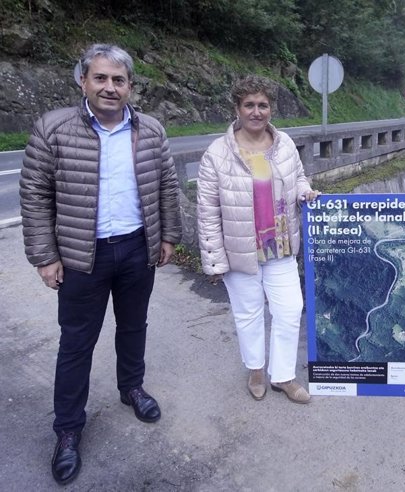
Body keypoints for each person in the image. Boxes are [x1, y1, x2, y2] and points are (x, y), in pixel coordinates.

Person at [20, 43, 181, 485]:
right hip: (79, 256)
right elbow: (34, 197)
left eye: (119, 80)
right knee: (76, 344)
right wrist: (45, 257)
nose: (110, 87)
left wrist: (168, 235)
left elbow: (167, 184)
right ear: (83, 81)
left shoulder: (150, 130)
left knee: (134, 326)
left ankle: (131, 387)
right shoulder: (52, 129)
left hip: (135, 249)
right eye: (101, 78)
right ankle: (68, 429)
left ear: (130, 86)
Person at [196, 75, 319, 404]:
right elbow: (207, 211)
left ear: (271, 108)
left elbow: (298, 178)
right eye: (249, 104)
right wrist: (214, 260)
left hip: (279, 246)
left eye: (262, 105)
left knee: (290, 309)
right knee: (248, 313)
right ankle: (255, 369)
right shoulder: (218, 154)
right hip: (240, 250)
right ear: (236, 107)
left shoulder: (285, 144)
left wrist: (305, 192)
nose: (256, 111)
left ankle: (283, 376)